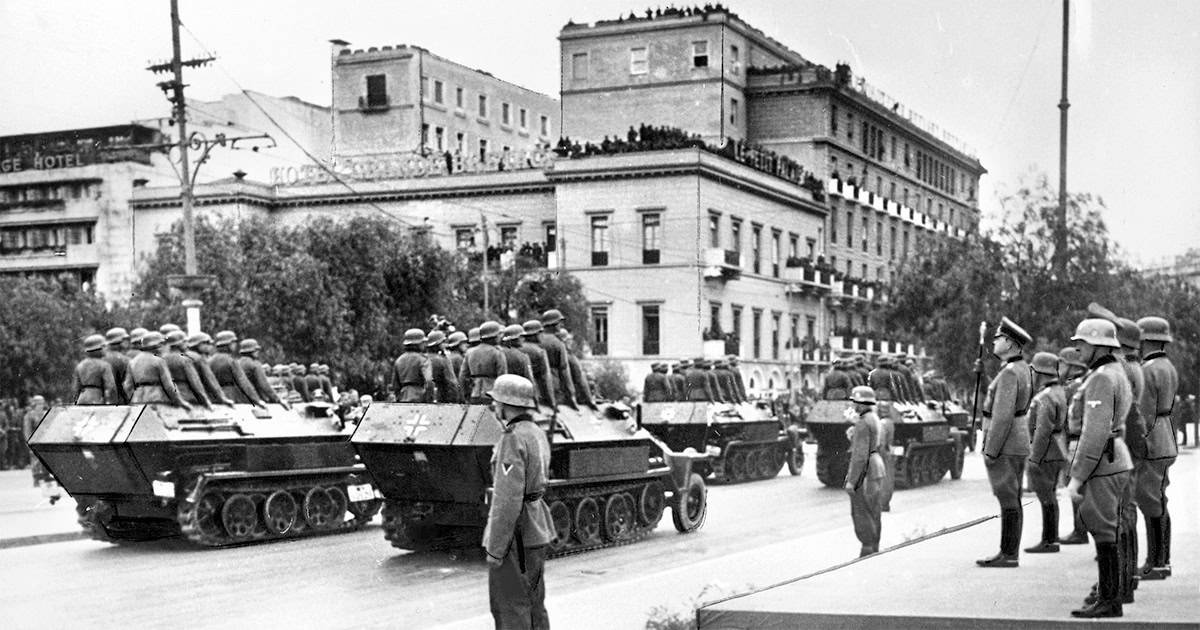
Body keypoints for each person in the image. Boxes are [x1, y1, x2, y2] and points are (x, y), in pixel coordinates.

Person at [1066, 318, 1133, 618]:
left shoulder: (1102, 378)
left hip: (1102, 461)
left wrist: (1077, 477)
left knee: (1104, 531)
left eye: (1081, 342)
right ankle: (1109, 595)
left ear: (1096, 345)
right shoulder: (1113, 372)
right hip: (1112, 458)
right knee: (1108, 529)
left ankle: (1109, 599)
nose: (1077, 347)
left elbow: (1094, 433)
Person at [482, 374, 554, 630]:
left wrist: (496, 547)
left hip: (516, 533)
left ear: (504, 404)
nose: (494, 407)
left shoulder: (512, 437)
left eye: (496, 402)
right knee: (535, 604)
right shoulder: (536, 432)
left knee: (510, 605)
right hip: (535, 527)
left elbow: (507, 499)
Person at [977, 316, 1032, 568]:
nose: (994, 341)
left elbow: (1001, 416)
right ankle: (1009, 551)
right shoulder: (1021, 368)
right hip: (1017, 438)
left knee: (1007, 496)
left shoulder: (1010, 372)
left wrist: (991, 449)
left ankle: (1008, 553)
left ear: (1010, 344)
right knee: (1013, 496)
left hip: (1006, 441)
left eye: (999, 338)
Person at [1134, 316, 1178, 581]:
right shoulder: (1167, 366)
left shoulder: (1149, 369)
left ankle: (1156, 562)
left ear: (1146, 339)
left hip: (1153, 440)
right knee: (1158, 499)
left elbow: (1145, 413)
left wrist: (1139, 444)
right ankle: (1162, 560)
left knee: (1150, 500)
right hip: (1165, 435)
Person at [1025, 351, 1067, 553]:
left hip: (1046, 452)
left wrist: (1034, 457)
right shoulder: (1059, 392)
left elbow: (1042, 431)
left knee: (1046, 498)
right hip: (1057, 449)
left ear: (1039, 372)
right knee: (1050, 497)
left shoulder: (1044, 396)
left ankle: (1049, 540)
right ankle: (1052, 537)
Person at [844, 385, 885, 557]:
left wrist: (852, 481)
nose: (853, 406)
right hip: (876, 467)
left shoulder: (862, 423)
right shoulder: (874, 418)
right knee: (874, 510)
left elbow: (859, 456)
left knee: (861, 510)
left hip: (865, 472)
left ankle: (867, 549)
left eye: (856, 402)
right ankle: (874, 546)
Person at [1058, 346, 1091, 545]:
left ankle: (1081, 531)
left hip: (1075, 441)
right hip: (1084, 440)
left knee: (1076, 488)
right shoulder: (1086, 382)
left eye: (1062, 363)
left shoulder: (1071, 387)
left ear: (1071, 366)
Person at [124, 332, 191, 408]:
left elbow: (127, 386)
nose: (164, 347)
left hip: (137, 400)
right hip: (157, 399)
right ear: (156, 345)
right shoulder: (159, 361)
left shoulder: (133, 361)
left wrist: (133, 397)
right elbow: (169, 385)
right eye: (162, 344)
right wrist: (180, 401)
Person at [209, 330, 266, 407]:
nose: (235, 345)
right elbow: (244, 382)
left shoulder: (209, 361)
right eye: (233, 343)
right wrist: (257, 400)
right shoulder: (231, 361)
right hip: (231, 396)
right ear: (228, 344)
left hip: (213, 397)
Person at [460, 321, 509, 404]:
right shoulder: (497, 353)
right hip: (492, 395)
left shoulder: (470, 352)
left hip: (474, 394)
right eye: (498, 335)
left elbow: (463, 376)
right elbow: (503, 378)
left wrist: (467, 395)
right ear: (494, 337)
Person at [163, 330, 212, 409]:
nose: (187, 344)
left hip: (168, 398)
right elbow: (195, 382)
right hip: (187, 396)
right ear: (179, 343)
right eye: (184, 341)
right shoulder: (184, 360)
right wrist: (205, 400)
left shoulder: (161, 359)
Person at [539, 310, 577, 410]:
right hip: (554, 388)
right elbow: (564, 370)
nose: (561, 325)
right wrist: (571, 393)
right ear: (554, 324)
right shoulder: (558, 343)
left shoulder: (535, 340)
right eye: (559, 322)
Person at [185, 332, 235, 407]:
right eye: (206, 343)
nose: (209, 346)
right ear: (198, 344)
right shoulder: (199, 359)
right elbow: (209, 380)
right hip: (197, 398)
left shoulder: (184, 356)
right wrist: (222, 398)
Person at [238, 339, 288, 407]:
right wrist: (278, 399)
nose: (257, 352)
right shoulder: (255, 364)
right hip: (255, 401)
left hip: (238, 400)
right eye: (256, 350)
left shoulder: (236, 363)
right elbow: (264, 385)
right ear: (251, 351)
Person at [518, 321, 556, 409]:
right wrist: (552, 401)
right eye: (540, 333)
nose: (542, 335)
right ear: (536, 334)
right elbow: (546, 378)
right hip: (536, 393)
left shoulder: (516, 349)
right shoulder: (539, 352)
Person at [72, 334, 118, 405]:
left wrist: (75, 402)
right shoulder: (104, 365)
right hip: (98, 400)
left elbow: (75, 388)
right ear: (98, 349)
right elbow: (111, 387)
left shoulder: (80, 365)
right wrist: (112, 403)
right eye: (104, 346)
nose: (106, 349)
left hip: (81, 400)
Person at [391, 328, 433, 402]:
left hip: (402, 397)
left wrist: (399, 397)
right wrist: (428, 399)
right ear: (418, 344)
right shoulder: (423, 359)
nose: (424, 345)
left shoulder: (399, 360)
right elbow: (429, 381)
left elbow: (395, 385)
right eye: (422, 342)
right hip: (420, 398)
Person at [427, 330, 463, 403]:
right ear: (439, 344)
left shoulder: (423, 358)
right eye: (443, 342)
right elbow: (452, 383)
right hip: (441, 398)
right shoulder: (442, 360)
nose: (445, 344)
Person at [102, 327, 131, 405]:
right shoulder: (125, 360)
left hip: (100, 400)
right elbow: (128, 386)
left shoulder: (100, 358)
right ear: (120, 342)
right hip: (119, 402)